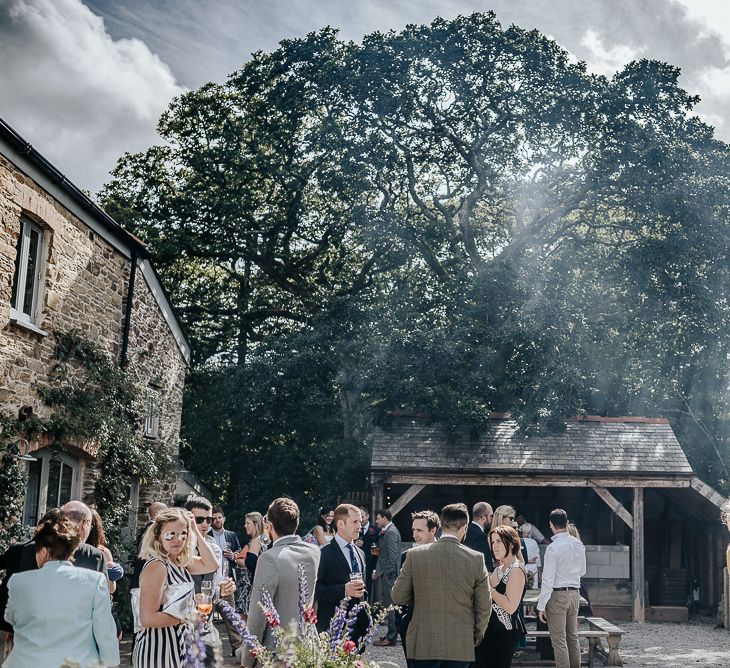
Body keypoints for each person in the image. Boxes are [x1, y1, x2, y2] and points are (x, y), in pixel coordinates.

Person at [3, 509, 119, 668]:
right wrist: (110, 662)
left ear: (43, 551)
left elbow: (10, 618)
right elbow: (105, 631)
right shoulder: (94, 581)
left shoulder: (18, 581)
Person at [392, 503, 491, 667]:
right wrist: (475, 635)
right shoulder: (476, 558)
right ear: (464, 527)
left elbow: (398, 596)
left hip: (423, 641)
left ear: (441, 526)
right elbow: (484, 606)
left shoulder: (414, 555)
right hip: (460, 642)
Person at [132, 506, 219, 668]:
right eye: (170, 534)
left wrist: (194, 530)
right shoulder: (157, 565)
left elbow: (212, 564)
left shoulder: (178, 561)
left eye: (182, 534)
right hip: (158, 651)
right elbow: (147, 618)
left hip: (176, 648)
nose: (177, 539)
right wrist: (189, 616)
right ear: (158, 536)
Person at [239, 498, 320, 667]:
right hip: (308, 645)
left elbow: (257, 615)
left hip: (277, 652)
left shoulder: (269, 558)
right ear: (297, 522)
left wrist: (247, 659)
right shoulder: (314, 552)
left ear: (268, 525)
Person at [184, 497, 233, 663]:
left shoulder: (214, 548)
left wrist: (223, 590)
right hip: (183, 627)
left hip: (207, 626)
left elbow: (215, 590)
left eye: (209, 519)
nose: (205, 524)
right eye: (199, 520)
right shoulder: (179, 547)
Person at [536, 509, 586, 668]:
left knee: (559, 640)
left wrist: (541, 605)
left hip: (557, 594)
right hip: (574, 593)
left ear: (551, 525)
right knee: (573, 637)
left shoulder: (553, 548)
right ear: (566, 523)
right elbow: (583, 571)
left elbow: (547, 579)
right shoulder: (578, 543)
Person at [315, 503, 369, 644]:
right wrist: (343, 590)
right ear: (340, 524)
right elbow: (315, 590)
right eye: (355, 522)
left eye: (360, 522)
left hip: (358, 629)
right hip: (333, 629)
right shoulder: (324, 553)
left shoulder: (361, 553)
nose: (360, 526)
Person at [479, 526, 527, 668]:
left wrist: (489, 589)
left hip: (505, 632)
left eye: (499, 541)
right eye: (493, 542)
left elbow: (510, 606)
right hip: (490, 630)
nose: (495, 546)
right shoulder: (499, 568)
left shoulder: (516, 569)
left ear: (511, 544)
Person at [398, 510, 440, 661]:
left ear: (433, 530)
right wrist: (402, 622)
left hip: (440, 627)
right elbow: (400, 592)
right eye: (413, 530)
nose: (415, 534)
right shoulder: (407, 556)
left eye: (419, 530)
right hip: (411, 623)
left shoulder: (447, 555)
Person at [373, 508, 402, 647]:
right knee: (389, 605)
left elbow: (393, 556)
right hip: (388, 574)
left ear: (385, 518)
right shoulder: (389, 531)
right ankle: (391, 633)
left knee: (390, 606)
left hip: (390, 576)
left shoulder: (390, 532)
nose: (376, 521)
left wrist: (387, 574)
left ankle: (391, 637)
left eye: (378, 518)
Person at [234, 511, 267, 618]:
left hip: (250, 588)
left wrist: (240, 561)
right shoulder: (257, 541)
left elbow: (252, 564)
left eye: (248, 523)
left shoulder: (260, 540)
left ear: (256, 524)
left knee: (246, 623)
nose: (245, 526)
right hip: (246, 587)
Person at [464, 502, 493, 571]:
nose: (492, 519)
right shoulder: (481, 536)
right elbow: (484, 564)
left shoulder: (464, 531)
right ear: (483, 518)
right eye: (491, 516)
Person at [358, 506, 379, 601]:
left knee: (369, 590)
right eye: (359, 517)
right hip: (357, 565)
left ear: (368, 516)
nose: (361, 519)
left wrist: (375, 569)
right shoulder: (354, 529)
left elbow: (380, 552)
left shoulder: (375, 530)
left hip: (370, 565)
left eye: (362, 516)